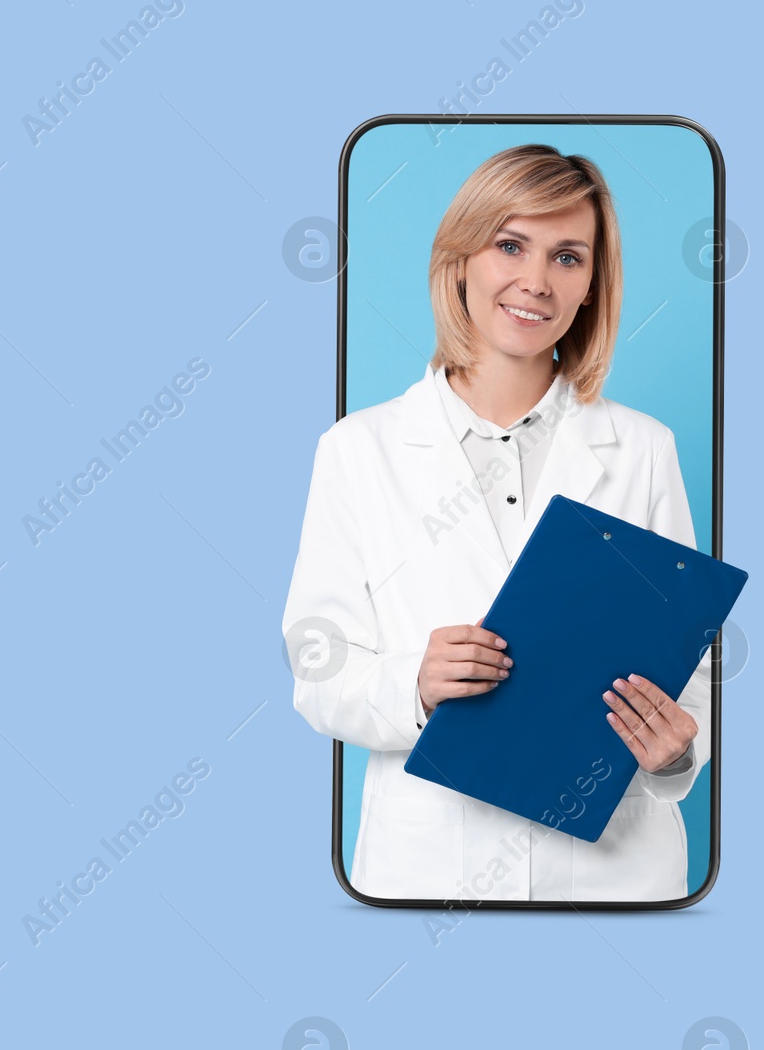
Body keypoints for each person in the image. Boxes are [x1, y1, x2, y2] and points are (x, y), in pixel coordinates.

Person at [283, 143, 711, 902]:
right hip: (429, 871)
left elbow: (690, 665)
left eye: (568, 257)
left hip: (618, 875)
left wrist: (676, 754)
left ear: (591, 288)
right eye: (510, 245)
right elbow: (320, 668)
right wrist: (412, 683)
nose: (536, 281)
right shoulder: (360, 450)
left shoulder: (644, 449)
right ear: (460, 261)